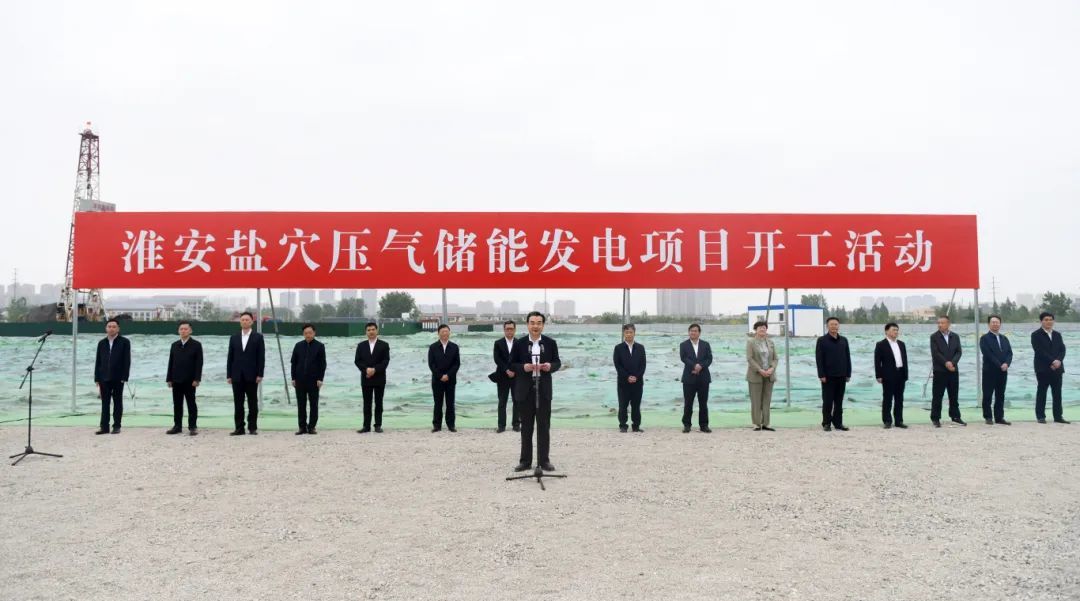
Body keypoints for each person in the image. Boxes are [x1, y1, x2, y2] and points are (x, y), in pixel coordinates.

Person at [510, 311, 561, 472]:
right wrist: (523, 367)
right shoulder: (519, 343)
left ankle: (544, 461)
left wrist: (550, 366)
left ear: (543, 325)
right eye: (532, 323)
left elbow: (557, 362)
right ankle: (525, 461)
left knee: (544, 427)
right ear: (527, 324)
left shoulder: (550, 343)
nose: (535, 326)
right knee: (526, 427)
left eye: (539, 323)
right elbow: (511, 364)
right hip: (525, 390)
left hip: (543, 389)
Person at [226, 312, 265, 435]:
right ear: (240, 322)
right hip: (236, 375)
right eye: (242, 320)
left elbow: (261, 357)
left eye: (247, 320)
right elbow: (230, 357)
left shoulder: (258, 337)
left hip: (252, 375)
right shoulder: (234, 337)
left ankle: (252, 427)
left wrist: (260, 374)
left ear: (252, 321)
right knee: (238, 403)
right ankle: (239, 428)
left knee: (252, 402)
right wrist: (229, 375)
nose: (244, 321)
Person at [94, 318, 131, 435]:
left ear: (118, 328)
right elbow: (98, 361)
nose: (111, 329)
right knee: (105, 403)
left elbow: (127, 360)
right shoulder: (101, 343)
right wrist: (97, 378)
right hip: (103, 377)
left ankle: (117, 426)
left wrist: (125, 376)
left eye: (114, 327)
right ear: (106, 328)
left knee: (117, 402)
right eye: (109, 326)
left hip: (118, 377)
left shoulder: (125, 342)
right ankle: (104, 427)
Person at [165, 320, 203, 435]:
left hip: (190, 380)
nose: (183, 331)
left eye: (186, 329)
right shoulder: (174, 345)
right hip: (176, 380)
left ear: (190, 331)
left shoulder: (196, 345)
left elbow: (199, 363)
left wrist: (197, 379)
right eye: (181, 329)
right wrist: (169, 379)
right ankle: (177, 426)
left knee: (191, 404)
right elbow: (171, 362)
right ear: (178, 331)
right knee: (177, 404)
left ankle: (192, 427)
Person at [1031, 312, 1069, 424]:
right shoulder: (1035, 335)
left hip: (1057, 368)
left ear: (1053, 321)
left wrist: (1058, 360)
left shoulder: (1057, 334)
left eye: (1051, 319)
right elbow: (1039, 351)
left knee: (1057, 393)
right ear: (1041, 321)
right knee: (1042, 392)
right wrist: (1052, 361)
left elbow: (1062, 349)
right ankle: (1040, 416)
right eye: (1046, 319)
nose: (1049, 322)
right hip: (1043, 368)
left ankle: (1058, 416)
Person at [816, 317, 852, 431]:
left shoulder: (844, 340)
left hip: (842, 375)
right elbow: (819, 359)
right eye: (831, 324)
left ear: (839, 326)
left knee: (839, 401)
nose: (834, 326)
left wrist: (848, 373)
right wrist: (821, 374)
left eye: (836, 324)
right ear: (827, 326)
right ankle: (826, 423)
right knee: (827, 401)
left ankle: (838, 423)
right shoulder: (822, 340)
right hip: (828, 376)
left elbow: (847, 357)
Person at [290, 323, 326, 435]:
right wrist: (293, 378)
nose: (308, 335)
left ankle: (312, 427)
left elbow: (322, 364)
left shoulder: (320, 346)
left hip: (314, 380)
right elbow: (293, 363)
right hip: (299, 379)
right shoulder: (298, 345)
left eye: (310, 333)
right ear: (303, 334)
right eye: (306, 333)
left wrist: (320, 378)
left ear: (314, 333)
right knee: (301, 404)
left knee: (313, 404)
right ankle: (302, 427)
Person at [354, 322, 390, 433]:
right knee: (367, 403)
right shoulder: (361, 345)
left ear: (377, 330)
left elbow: (385, 361)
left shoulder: (384, 345)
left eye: (373, 329)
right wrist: (366, 369)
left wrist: (374, 369)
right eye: (369, 330)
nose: (371, 332)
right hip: (366, 378)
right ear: (366, 332)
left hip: (379, 377)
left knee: (379, 403)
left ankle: (378, 425)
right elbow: (357, 361)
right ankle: (366, 426)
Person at [930, 315, 965, 427]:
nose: (940, 325)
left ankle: (955, 416)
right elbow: (935, 353)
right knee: (937, 396)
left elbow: (959, 352)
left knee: (954, 395)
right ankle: (935, 418)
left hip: (953, 370)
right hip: (940, 371)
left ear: (948, 324)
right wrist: (946, 363)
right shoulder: (934, 337)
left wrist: (952, 363)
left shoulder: (955, 336)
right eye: (938, 323)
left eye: (942, 323)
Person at [873, 322, 908, 429]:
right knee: (887, 399)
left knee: (899, 399)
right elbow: (877, 361)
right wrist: (878, 375)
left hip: (900, 374)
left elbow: (905, 360)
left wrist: (906, 374)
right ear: (887, 331)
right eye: (893, 330)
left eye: (897, 330)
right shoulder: (881, 344)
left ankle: (899, 421)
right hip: (888, 375)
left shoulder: (901, 344)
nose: (896, 332)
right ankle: (887, 421)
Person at [679, 323, 713, 433]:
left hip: (703, 377)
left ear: (699, 333)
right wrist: (694, 366)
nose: (693, 332)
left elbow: (709, 359)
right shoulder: (683, 345)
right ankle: (687, 425)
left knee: (703, 403)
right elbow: (683, 358)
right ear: (688, 332)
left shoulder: (705, 344)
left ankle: (704, 425)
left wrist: (701, 366)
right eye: (691, 331)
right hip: (689, 378)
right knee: (688, 403)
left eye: (695, 331)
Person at [613, 323, 646, 433]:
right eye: (626, 332)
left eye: (631, 332)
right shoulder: (618, 348)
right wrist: (627, 377)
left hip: (638, 382)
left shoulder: (640, 348)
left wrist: (636, 377)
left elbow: (643, 365)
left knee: (636, 405)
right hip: (623, 382)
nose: (629, 334)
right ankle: (623, 425)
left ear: (634, 333)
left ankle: (636, 426)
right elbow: (618, 365)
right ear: (624, 333)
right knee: (623, 405)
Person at [979, 315, 1012, 425]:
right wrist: (999, 364)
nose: (995, 324)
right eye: (993, 322)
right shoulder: (984, 339)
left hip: (1003, 371)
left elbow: (1009, 353)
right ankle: (988, 417)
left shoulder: (1004, 338)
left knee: (1000, 395)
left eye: (997, 322)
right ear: (989, 324)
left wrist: (1007, 364)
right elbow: (988, 354)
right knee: (987, 394)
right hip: (989, 371)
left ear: (1000, 324)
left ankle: (999, 417)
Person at [428, 324, 461, 432]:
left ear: (449, 333)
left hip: (451, 379)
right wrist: (440, 376)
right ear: (438, 333)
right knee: (438, 403)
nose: (445, 333)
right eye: (442, 331)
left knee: (450, 403)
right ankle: (437, 425)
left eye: (447, 331)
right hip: (437, 380)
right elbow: (431, 364)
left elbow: (457, 364)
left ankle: (451, 425)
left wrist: (448, 375)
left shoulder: (454, 347)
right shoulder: (433, 347)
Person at [746, 321, 777, 431]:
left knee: (767, 400)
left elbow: (775, 358)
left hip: (769, 375)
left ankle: (766, 423)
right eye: (760, 328)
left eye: (764, 327)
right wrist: (760, 370)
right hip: (755, 375)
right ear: (755, 330)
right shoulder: (751, 342)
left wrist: (772, 368)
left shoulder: (771, 342)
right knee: (756, 400)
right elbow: (750, 358)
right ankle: (756, 423)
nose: (762, 329)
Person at [491, 320, 520, 433]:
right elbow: (497, 359)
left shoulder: (519, 343)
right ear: (504, 330)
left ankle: (516, 424)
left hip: (516, 376)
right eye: (507, 329)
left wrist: (514, 370)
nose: (509, 331)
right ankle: (501, 425)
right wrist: (507, 370)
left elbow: (521, 359)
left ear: (514, 330)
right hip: (502, 376)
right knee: (502, 402)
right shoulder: (498, 343)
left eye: (511, 329)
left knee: (517, 401)